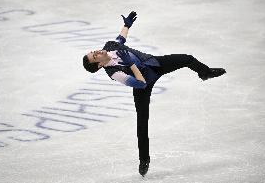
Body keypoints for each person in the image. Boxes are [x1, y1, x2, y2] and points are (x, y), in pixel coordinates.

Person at [82, 11, 226, 176]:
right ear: (99, 65)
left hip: (154, 64)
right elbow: (141, 84)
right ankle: (144, 160)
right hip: (143, 83)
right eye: (95, 56)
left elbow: (120, 39)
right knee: (142, 123)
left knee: (187, 58)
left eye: (94, 51)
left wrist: (127, 25)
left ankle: (205, 73)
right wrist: (131, 65)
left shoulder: (110, 46)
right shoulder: (114, 73)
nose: (97, 51)